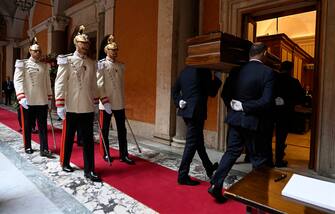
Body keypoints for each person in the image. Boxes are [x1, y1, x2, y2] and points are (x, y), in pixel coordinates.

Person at [208, 42, 275, 201]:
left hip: (236, 120)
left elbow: (225, 94)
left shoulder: (236, 70)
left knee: (231, 152)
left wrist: (234, 107)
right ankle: (256, 198)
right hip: (255, 123)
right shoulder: (268, 73)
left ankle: (215, 184)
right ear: (264, 53)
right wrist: (244, 106)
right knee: (258, 159)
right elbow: (267, 101)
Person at [55, 25, 101, 182]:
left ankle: (90, 170)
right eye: (82, 43)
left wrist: (96, 102)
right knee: (68, 137)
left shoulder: (91, 62)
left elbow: (94, 84)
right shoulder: (67, 61)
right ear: (76, 43)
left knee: (88, 140)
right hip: (72, 106)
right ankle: (66, 162)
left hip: (87, 106)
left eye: (87, 44)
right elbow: (60, 83)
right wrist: (60, 104)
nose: (85, 46)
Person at [172, 66, 222, 186]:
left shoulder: (184, 71)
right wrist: (217, 77)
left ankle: (209, 168)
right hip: (196, 113)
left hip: (186, 111)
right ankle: (182, 175)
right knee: (191, 144)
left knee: (198, 142)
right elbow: (212, 92)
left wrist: (179, 101)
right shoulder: (204, 71)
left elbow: (174, 90)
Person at [96, 34, 134, 164]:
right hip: (106, 102)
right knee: (105, 129)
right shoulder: (101, 64)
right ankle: (105, 153)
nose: (115, 52)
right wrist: (104, 100)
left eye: (116, 50)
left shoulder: (121, 65)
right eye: (113, 50)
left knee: (122, 130)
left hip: (118, 102)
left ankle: (124, 154)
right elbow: (99, 84)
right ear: (107, 50)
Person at [13, 37, 54, 158]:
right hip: (28, 100)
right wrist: (21, 96)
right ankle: (28, 146)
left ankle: (44, 148)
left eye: (39, 51)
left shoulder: (45, 66)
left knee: (42, 126)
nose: (37, 53)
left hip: (41, 100)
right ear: (30, 51)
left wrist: (49, 99)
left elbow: (47, 83)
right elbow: (18, 80)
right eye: (35, 51)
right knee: (27, 125)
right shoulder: (23, 64)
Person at [272, 61, 305, 167]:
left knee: (267, 135)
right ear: (291, 69)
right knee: (281, 137)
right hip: (285, 112)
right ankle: (278, 159)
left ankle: (267, 158)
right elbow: (301, 97)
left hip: (270, 111)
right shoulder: (294, 81)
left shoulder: (273, 78)